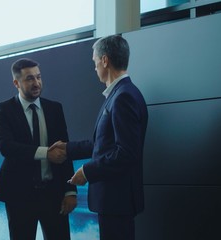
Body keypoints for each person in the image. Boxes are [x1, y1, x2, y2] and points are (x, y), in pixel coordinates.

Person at [50, 34, 148, 240]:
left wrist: (87, 171)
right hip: (116, 200)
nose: (95, 68)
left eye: (95, 62)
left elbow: (126, 153)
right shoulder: (121, 94)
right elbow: (101, 144)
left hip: (116, 200)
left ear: (105, 60)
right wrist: (68, 148)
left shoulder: (123, 97)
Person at [0, 58, 77, 240]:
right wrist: (46, 153)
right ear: (16, 83)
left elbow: (65, 151)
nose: (36, 83)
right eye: (30, 78)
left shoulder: (55, 109)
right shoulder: (4, 110)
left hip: (53, 193)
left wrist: (70, 191)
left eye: (38, 77)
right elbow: (6, 147)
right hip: (19, 194)